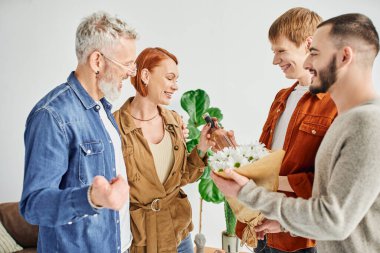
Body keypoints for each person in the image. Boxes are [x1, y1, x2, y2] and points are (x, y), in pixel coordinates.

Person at [212, 13, 380, 253]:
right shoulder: (352, 120)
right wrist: (285, 224)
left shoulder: (368, 124)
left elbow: (334, 220)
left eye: (315, 52)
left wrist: (247, 191)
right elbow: (331, 206)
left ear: (344, 56)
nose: (309, 64)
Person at [20, 11, 137, 253]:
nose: (130, 72)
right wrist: (91, 198)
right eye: (126, 64)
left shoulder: (104, 110)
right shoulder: (52, 116)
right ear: (97, 61)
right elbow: (34, 205)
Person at [234, 7, 337, 253]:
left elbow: (331, 185)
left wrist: (272, 183)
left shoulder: (337, 104)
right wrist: (233, 152)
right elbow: (267, 158)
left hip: (301, 240)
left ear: (309, 44)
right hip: (263, 230)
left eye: (281, 51)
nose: (275, 60)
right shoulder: (282, 97)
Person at [113, 47, 213, 253]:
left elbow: (183, 176)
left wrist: (202, 147)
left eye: (176, 80)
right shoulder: (114, 126)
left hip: (179, 233)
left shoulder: (174, 121)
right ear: (146, 75)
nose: (175, 86)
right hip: (139, 240)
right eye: (169, 78)